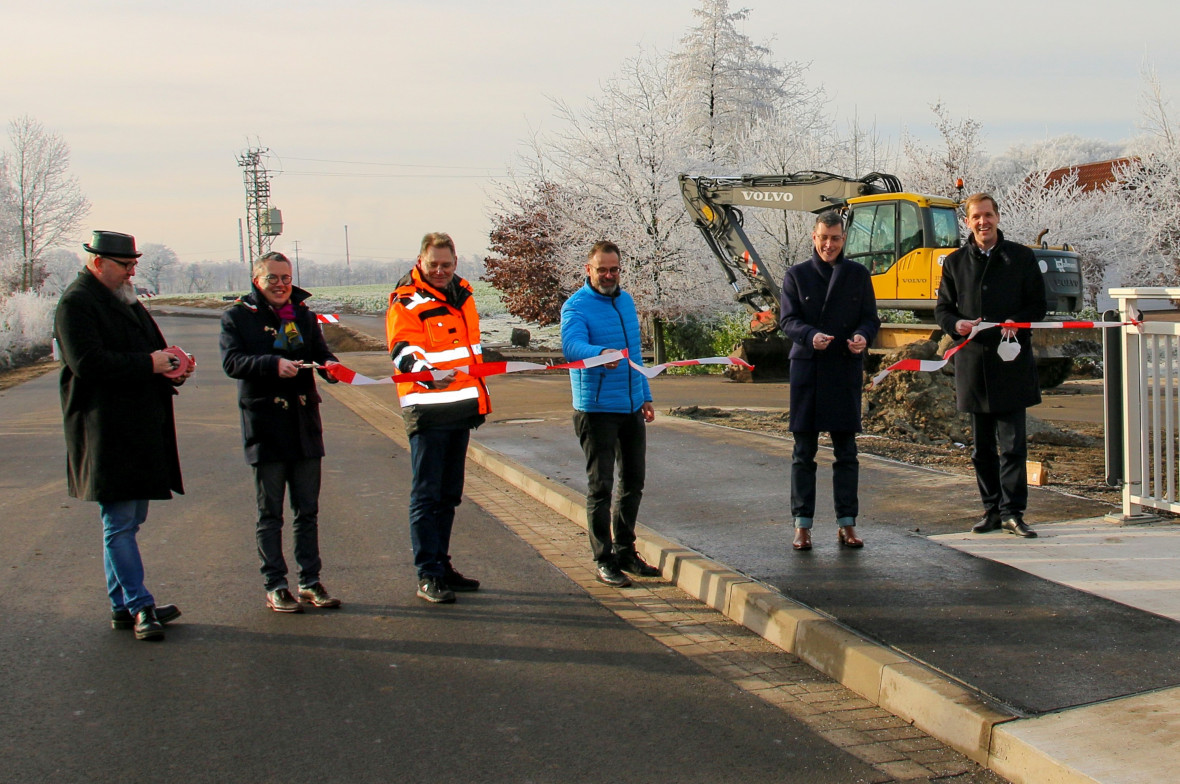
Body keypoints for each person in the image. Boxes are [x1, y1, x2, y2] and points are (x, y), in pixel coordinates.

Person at [54, 230, 194, 641]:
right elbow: (88, 363)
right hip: (105, 429)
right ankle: (139, 605)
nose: (132, 272)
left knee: (129, 520)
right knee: (118, 521)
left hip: (137, 426)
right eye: (125, 265)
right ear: (98, 262)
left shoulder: (123, 299)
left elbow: (152, 352)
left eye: (134, 265)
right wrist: (148, 364)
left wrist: (172, 367)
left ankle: (122, 604)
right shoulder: (76, 304)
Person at [220, 251, 344, 612]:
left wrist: (331, 368)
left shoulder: (303, 316)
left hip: (305, 425)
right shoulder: (237, 317)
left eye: (286, 278)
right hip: (266, 427)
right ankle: (275, 584)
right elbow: (232, 362)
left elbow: (321, 354)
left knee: (308, 511)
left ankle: (310, 581)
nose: (280, 285)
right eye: (272, 278)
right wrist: (273, 365)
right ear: (257, 281)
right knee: (270, 514)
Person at [936, 193, 1047, 538]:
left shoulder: (1022, 258)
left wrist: (1018, 320)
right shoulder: (954, 263)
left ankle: (1013, 512)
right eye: (976, 217)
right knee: (981, 447)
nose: (982, 222)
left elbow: (1039, 306)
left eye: (988, 215)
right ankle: (991, 510)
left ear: (997, 217)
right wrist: (957, 325)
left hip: (1010, 363)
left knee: (1013, 444)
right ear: (967, 223)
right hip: (973, 365)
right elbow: (943, 310)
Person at [386, 232, 490, 604]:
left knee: (449, 495)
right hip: (428, 410)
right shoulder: (407, 299)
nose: (441, 271)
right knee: (427, 495)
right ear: (421, 261)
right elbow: (402, 348)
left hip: (460, 409)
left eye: (447, 264)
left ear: (456, 261)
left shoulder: (462, 295)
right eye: (434, 265)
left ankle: (442, 565)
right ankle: (427, 573)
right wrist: (424, 370)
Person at [560, 241, 660, 588]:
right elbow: (572, 346)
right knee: (601, 487)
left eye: (614, 269)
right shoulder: (576, 307)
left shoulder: (626, 301)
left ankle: (625, 551)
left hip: (631, 406)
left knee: (633, 482)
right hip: (597, 410)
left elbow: (635, 355)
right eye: (601, 269)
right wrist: (600, 352)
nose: (608, 275)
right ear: (588, 270)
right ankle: (603, 559)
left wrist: (645, 395)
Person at [780, 212, 880, 551]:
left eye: (835, 238)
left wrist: (862, 337)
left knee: (846, 453)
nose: (829, 244)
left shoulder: (857, 274)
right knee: (803, 453)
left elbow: (870, 318)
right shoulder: (797, 275)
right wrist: (810, 336)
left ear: (843, 239)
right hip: (808, 371)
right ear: (813, 236)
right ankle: (802, 525)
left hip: (843, 368)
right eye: (824, 237)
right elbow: (788, 320)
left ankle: (847, 524)